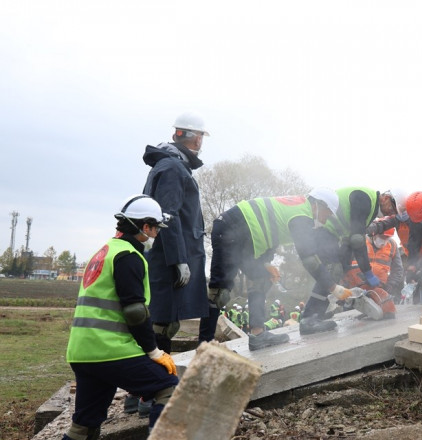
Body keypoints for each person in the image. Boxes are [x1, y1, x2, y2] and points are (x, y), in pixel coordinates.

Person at [64, 195, 178, 439]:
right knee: (168, 389)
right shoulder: (128, 256)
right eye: (156, 228)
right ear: (145, 226)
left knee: (85, 424)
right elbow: (135, 312)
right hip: (110, 350)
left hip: (82, 352)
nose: (157, 234)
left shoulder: (102, 252)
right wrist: (154, 351)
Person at [208, 189, 345, 345]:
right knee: (219, 293)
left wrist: (266, 264)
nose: (326, 220)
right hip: (233, 228)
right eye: (327, 214)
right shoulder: (302, 215)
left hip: (242, 232)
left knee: (261, 278)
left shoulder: (297, 207)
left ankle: (258, 336)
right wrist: (333, 287)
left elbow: (270, 230)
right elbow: (309, 260)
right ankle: (203, 347)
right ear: (319, 204)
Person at [141, 111, 215, 352]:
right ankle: (154, 383)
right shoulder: (173, 168)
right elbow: (167, 216)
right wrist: (179, 260)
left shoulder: (172, 165)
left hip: (167, 257)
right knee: (162, 324)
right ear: (197, 139)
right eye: (201, 136)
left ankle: (157, 380)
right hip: (168, 261)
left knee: (166, 321)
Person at [342, 228, 404, 300]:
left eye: (387, 237)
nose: (384, 240)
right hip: (355, 290)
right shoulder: (360, 242)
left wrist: (390, 285)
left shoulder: (392, 245)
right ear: (374, 234)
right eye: (382, 237)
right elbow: (344, 264)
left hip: (380, 290)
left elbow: (398, 269)